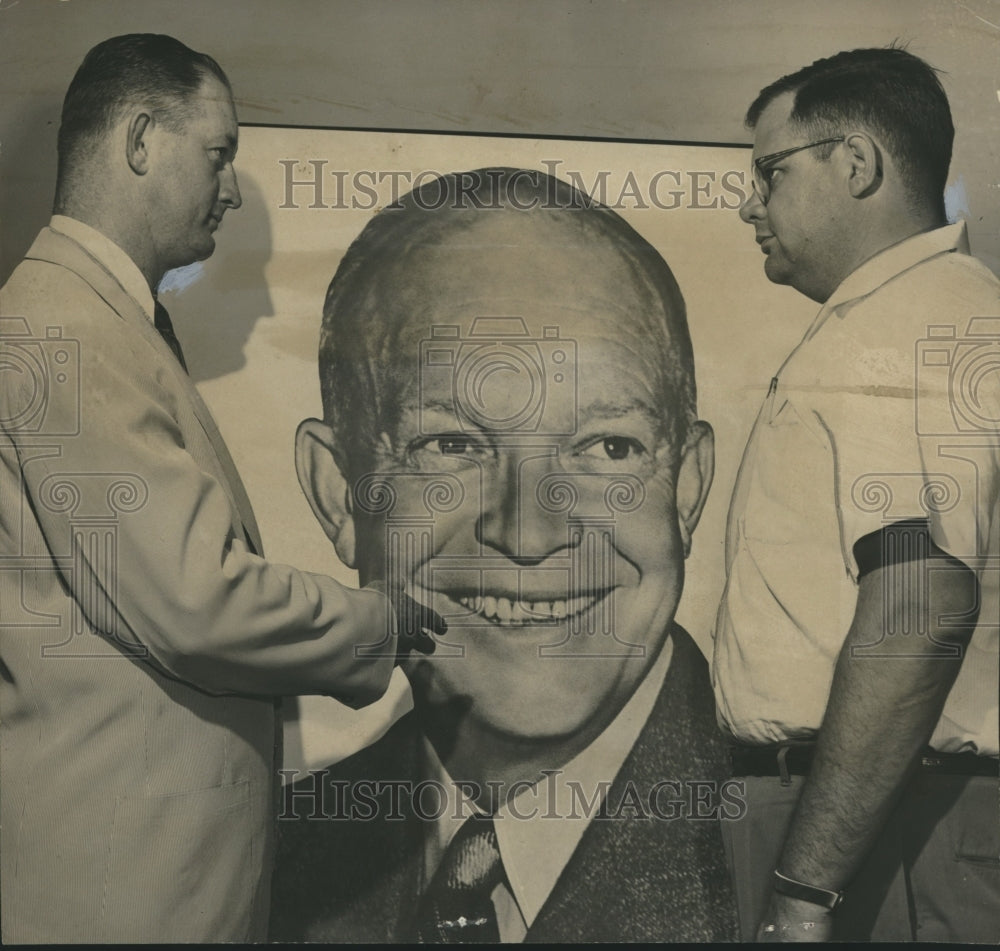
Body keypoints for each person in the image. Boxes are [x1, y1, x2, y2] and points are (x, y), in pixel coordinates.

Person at [0, 33, 442, 944]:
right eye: (220, 151)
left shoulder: (86, 321)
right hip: (126, 889)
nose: (232, 185)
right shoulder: (69, 330)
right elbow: (195, 601)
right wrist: (381, 622)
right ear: (139, 141)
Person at [270, 168, 739, 942]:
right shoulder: (270, 859)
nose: (529, 533)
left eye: (607, 446)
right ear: (337, 492)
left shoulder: (825, 853)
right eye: (450, 444)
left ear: (686, 486)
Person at [713, 46, 999, 942]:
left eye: (770, 171)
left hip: (890, 838)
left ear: (858, 164)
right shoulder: (924, 312)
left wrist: (805, 891)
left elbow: (917, 611)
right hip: (879, 819)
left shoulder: (908, 321)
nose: (747, 202)